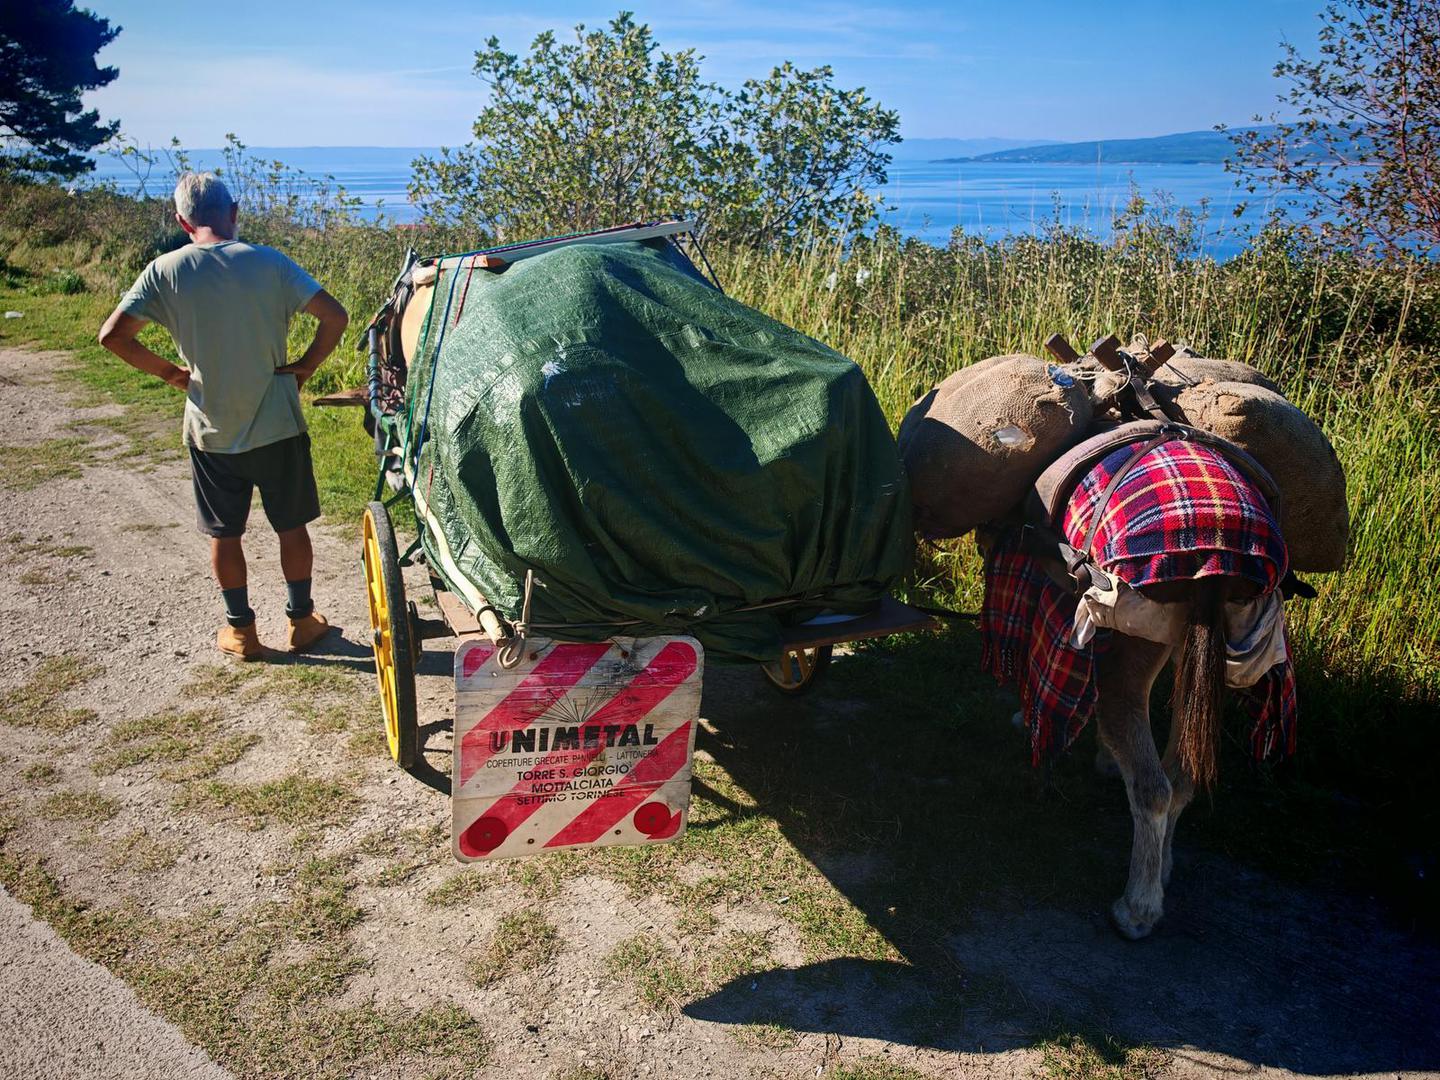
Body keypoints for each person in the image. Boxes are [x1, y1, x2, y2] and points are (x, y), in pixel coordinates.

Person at [98, 172, 349, 659]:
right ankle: (301, 621)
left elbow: (113, 337)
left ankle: (241, 632)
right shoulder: (270, 261)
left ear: (182, 221)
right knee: (291, 526)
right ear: (234, 212)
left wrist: (171, 374)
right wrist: (305, 367)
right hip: (278, 423)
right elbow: (335, 316)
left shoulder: (164, 270)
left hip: (210, 428)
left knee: (224, 533)